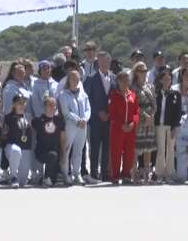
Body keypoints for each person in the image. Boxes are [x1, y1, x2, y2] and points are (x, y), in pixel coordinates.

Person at [83, 51, 114, 182]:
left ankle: (105, 173)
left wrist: (110, 113)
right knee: (94, 148)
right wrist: (98, 112)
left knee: (107, 147)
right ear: (98, 63)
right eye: (101, 62)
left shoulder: (114, 78)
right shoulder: (90, 78)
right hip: (95, 120)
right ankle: (94, 173)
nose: (104, 64)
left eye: (106, 61)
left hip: (109, 119)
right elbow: (87, 99)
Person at [59, 70, 91, 185]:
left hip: (83, 126)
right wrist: (78, 120)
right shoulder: (63, 94)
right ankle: (66, 174)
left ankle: (77, 174)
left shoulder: (83, 94)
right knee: (67, 150)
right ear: (68, 80)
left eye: (78, 79)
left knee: (79, 151)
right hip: (71, 125)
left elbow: (88, 109)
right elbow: (66, 111)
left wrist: (85, 119)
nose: (76, 81)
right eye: (73, 79)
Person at [108, 71, 140, 184]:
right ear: (118, 81)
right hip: (118, 129)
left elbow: (137, 112)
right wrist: (121, 125)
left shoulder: (133, 95)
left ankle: (126, 174)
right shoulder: (114, 95)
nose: (125, 83)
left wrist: (132, 123)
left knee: (129, 152)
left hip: (130, 130)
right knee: (116, 152)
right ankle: (115, 175)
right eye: (123, 80)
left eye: (127, 80)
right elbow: (112, 114)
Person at [153, 70, 182, 183]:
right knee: (161, 149)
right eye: (165, 79)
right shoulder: (156, 93)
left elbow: (178, 112)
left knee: (170, 149)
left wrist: (175, 126)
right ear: (160, 80)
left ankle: (169, 174)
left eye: (169, 79)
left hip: (171, 125)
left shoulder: (175, 94)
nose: (167, 81)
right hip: (159, 125)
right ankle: (159, 174)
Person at [131, 61, 157, 184]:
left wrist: (151, 115)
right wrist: (144, 115)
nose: (144, 73)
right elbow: (134, 104)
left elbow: (154, 103)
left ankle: (147, 172)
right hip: (138, 117)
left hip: (150, 118)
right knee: (136, 147)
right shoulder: (132, 87)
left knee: (148, 147)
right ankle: (135, 172)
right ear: (136, 73)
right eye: (142, 71)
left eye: (146, 70)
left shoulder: (150, 86)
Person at [32, 97, 66, 187]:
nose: (53, 107)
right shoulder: (38, 121)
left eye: (54, 105)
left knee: (54, 181)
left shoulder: (59, 121)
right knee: (52, 155)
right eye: (50, 105)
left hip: (55, 153)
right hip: (41, 152)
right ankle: (46, 178)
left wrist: (63, 154)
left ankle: (49, 177)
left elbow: (62, 139)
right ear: (45, 107)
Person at [5, 94, 34, 188]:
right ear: (14, 104)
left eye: (23, 102)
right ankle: (13, 176)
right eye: (19, 103)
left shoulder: (29, 117)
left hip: (25, 148)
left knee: (23, 182)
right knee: (16, 150)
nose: (22, 105)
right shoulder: (8, 117)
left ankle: (12, 176)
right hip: (11, 147)